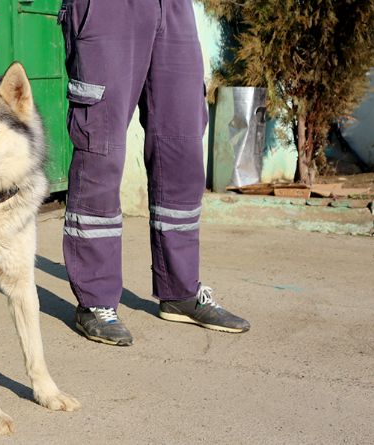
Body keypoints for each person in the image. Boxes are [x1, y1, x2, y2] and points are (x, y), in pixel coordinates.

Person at [58, 0, 249, 346]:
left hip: (174, 8)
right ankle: (95, 301)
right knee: (101, 147)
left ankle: (181, 290)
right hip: (108, 10)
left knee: (182, 148)